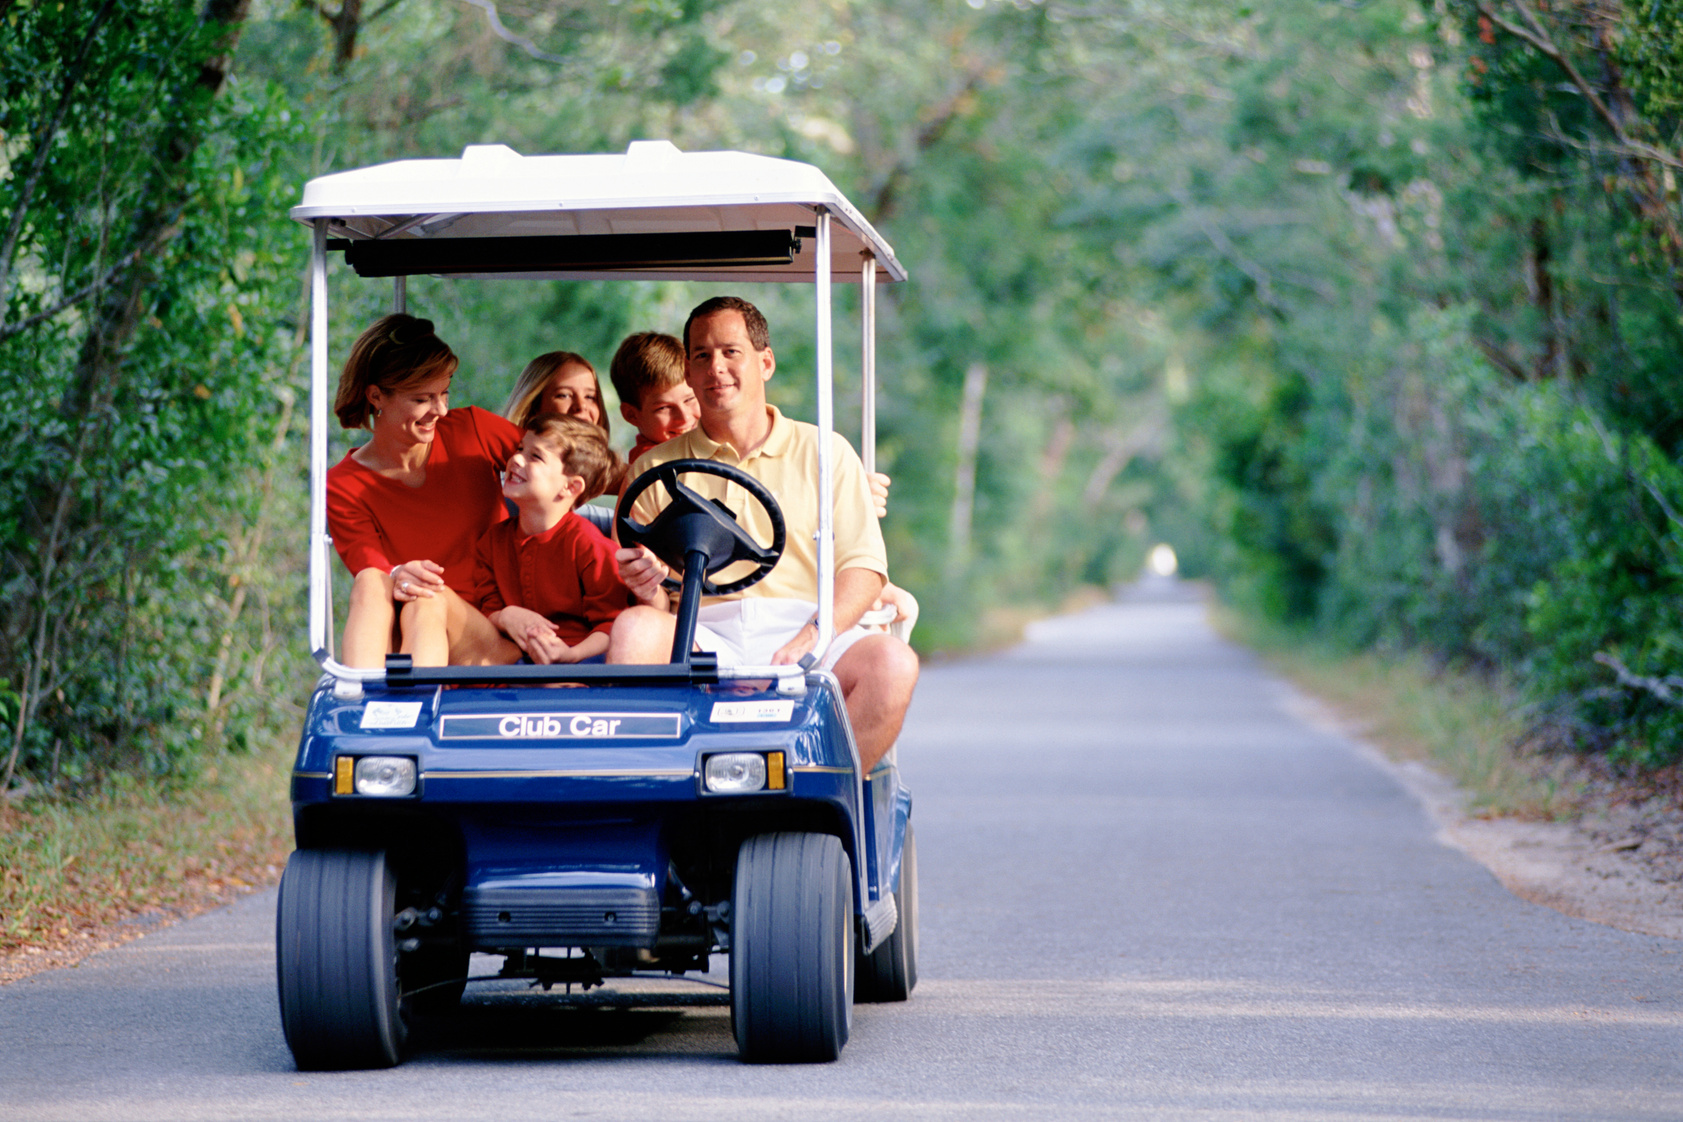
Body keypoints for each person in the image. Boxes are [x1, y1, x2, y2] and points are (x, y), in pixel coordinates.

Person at [608, 296, 919, 771]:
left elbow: (864, 568)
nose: (717, 369)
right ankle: (655, 791)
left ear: (765, 362)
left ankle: (814, 789)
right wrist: (647, 585)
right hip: (705, 631)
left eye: (731, 352)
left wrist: (813, 634)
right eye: (702, 356)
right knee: (634, 630)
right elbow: (656, 603)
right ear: (688, 374)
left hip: (808, 625)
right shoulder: (654, 470)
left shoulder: (825, 451)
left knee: (893, 664)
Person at [326, 314, 520, 668]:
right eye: (423, 399)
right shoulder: (343, 486)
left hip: (491, 634)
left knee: (428, 598)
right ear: (376, 396)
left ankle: (410, 713)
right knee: (374, 581)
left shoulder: (473, 431)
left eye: (444, 394)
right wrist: (397, 573)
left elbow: (564, 471)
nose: (441, 410)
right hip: (411, 631)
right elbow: (373, 572)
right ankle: (359, 702)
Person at [470, 413, 636, 664]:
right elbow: (487, 608)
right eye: (519, 448)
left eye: (534, 456)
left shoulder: (590, 545)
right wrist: (506, 615)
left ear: (570, 487)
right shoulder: (493, 541)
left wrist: (570, 656)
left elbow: (611, 623)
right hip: (514, 661)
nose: (515, 458)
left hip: (581, 665)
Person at [609, 331, 699, 466]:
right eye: (664, 408)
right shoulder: (652, 465)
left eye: (689, 399)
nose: (684, 417)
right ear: (631, 415)